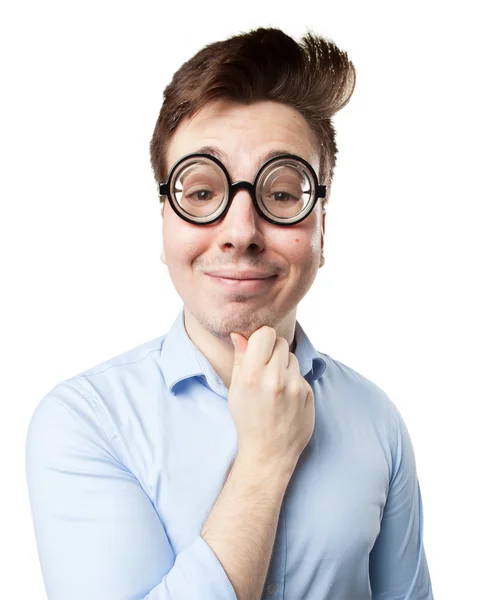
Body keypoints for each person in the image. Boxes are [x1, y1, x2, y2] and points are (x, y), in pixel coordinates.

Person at [25, 27, 434, 600]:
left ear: (322, 222)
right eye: (201, 192)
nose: (240, 232)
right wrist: (264, 461)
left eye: (283, 194)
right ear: (165, 217)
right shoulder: (87, 422)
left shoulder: (377, 421)